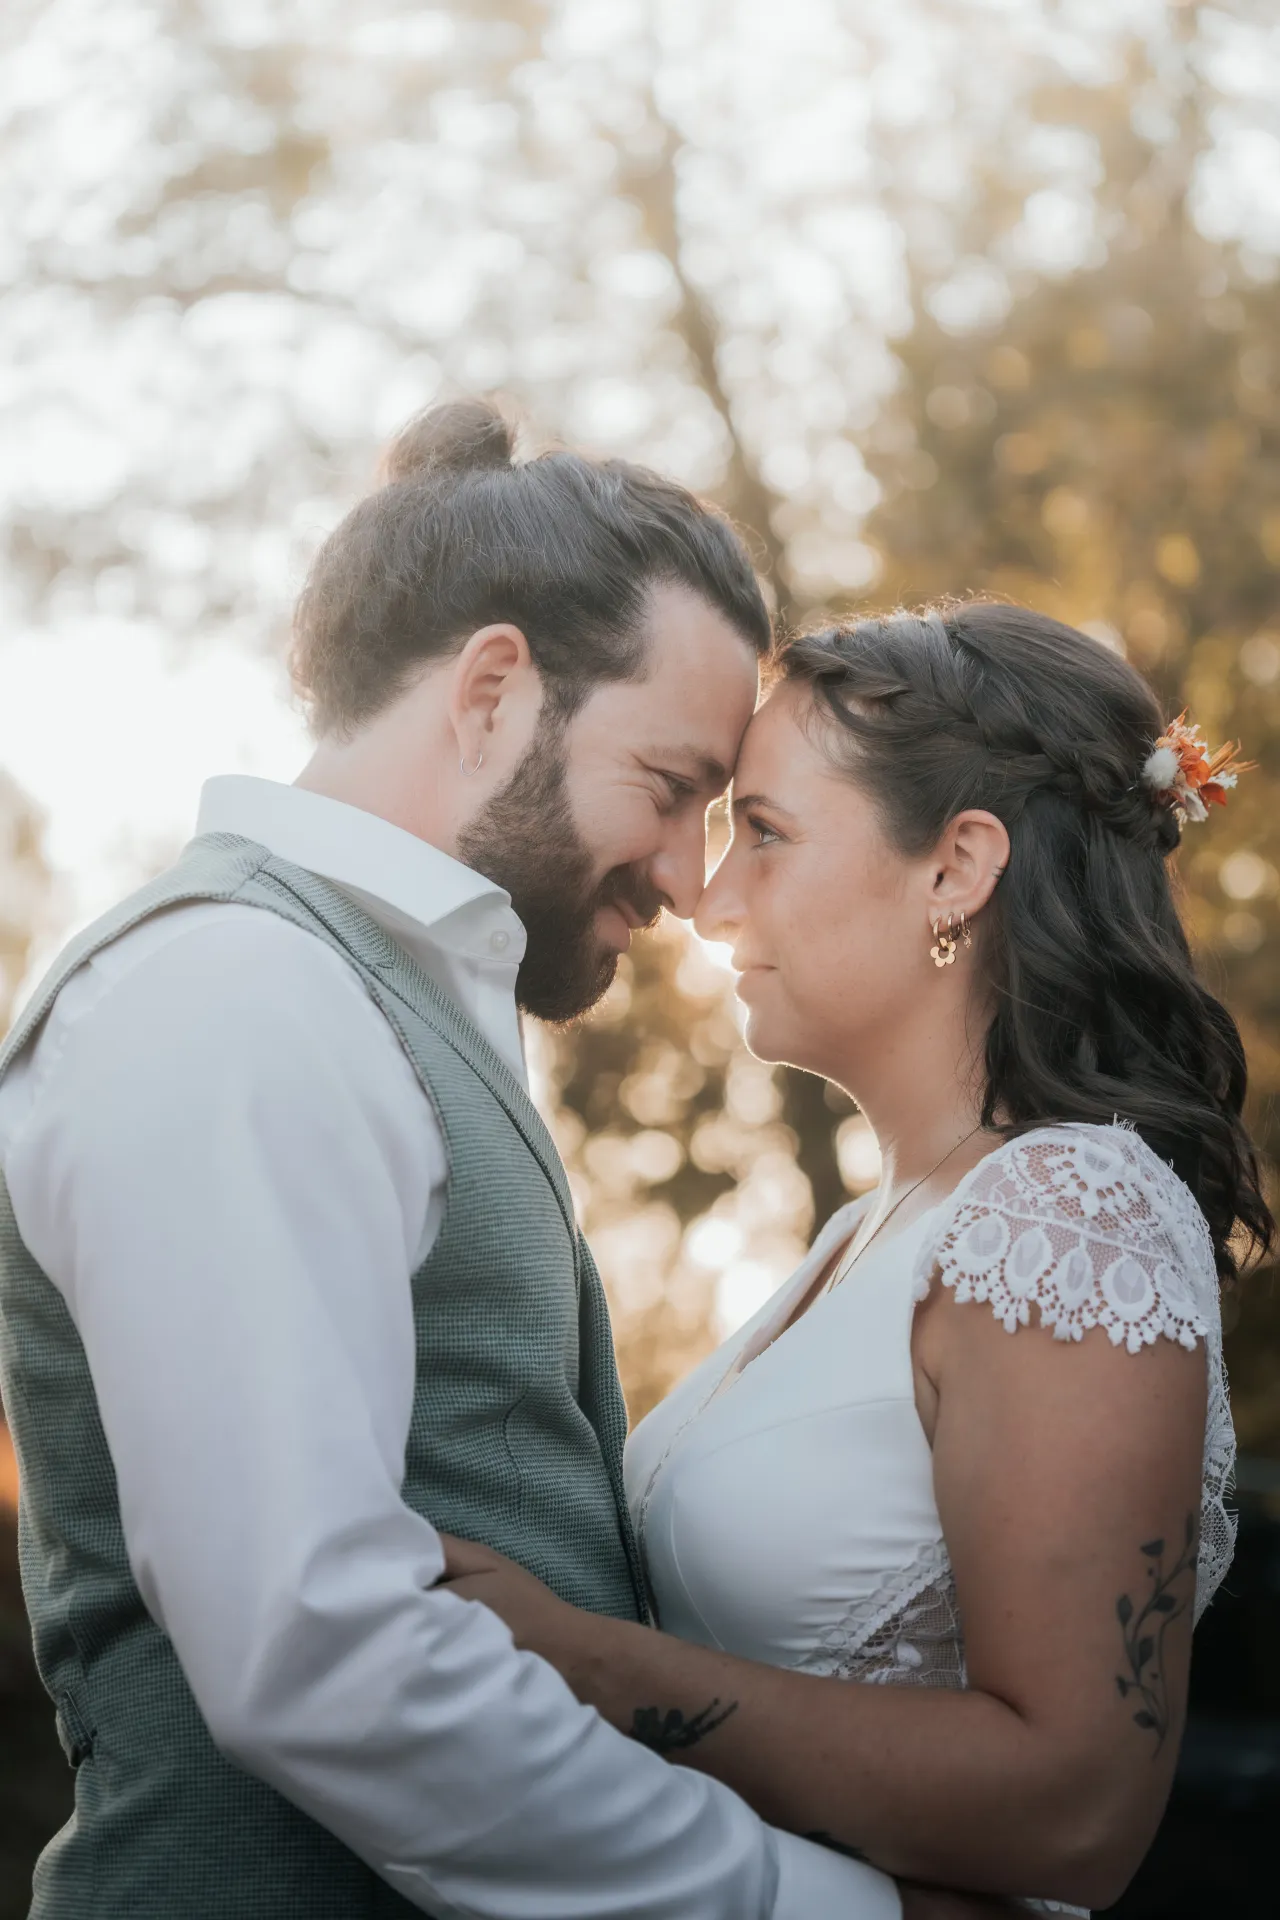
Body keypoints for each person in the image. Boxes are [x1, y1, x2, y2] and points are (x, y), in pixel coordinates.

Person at [0, 400, 927, 1918]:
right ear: (495, 690)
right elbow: (322, 1653)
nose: (694, 880)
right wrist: (808, 1907)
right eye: (673, 786)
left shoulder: (370, 999)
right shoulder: (229, 996)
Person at [439, 603, 1273, 1915]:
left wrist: (584, 1662)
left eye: (765, 834)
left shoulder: (1071, 1214)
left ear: (957, 868)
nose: (708, 896)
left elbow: (1075, 1809)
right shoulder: (865, 1233)